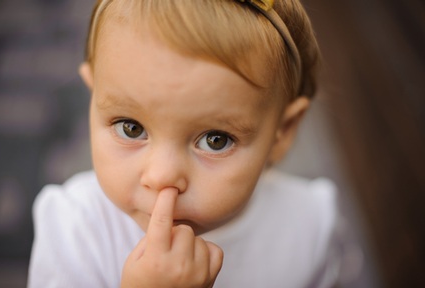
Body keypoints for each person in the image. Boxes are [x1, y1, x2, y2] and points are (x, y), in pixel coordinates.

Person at [28, 0, 342, 287]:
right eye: (131, 128)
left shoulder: (311, 226)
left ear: (282, 131)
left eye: (215, 140)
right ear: (93, 97)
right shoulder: (75, 229)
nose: (163, 176)